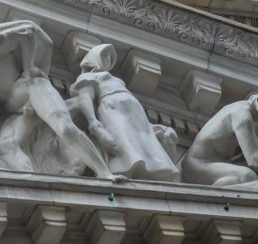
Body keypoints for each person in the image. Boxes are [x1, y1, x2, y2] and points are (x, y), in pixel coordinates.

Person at [0, 21, 111, 178]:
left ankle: (106, 174)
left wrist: (28, 67)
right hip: (15, 110)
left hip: (31, 89)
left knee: (65, 128)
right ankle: (33, 184)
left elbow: (28, 33)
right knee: (6, 144)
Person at [69, 43, 178, 181]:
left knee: (142, 140)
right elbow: (85, 98)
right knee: (121, 137)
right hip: (112, 108)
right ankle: (122, 172)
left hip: (134, 112)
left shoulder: (116, 80)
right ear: (95, 58)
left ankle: (147, 172)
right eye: (104, 56)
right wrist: (94, 123)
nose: (108, 59)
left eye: (110, 57)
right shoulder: (90, 77)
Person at [181, 85, 258, 186]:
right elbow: (254, 159)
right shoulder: (242, 116)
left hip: (223, 163)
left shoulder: (255, 119)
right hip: (197, 165)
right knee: (247, 176)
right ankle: (214, 195)